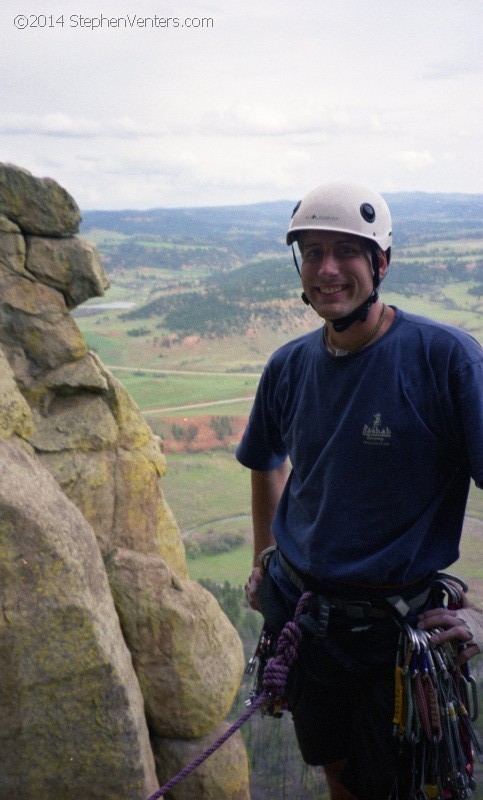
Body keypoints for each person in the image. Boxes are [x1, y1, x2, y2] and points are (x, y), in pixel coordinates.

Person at [236, 181, 483, 800]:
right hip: (305, 619)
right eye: (313, 251)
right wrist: (266, 557)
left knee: (412, 786)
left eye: (346, 251)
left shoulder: (445, 360)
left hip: (394, 634)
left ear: (382, 262)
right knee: (337, 771)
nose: (327, 269)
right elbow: (264, 461)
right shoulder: (289, 366)